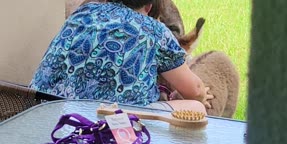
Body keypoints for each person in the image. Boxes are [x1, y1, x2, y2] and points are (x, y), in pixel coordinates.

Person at [30, 0, 213, 114]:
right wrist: (202, 95)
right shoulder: (155, 30)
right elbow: (194, 89)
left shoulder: (82, 12)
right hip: (107, 120)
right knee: (195, 108)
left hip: (42, 109)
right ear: (149, 7)